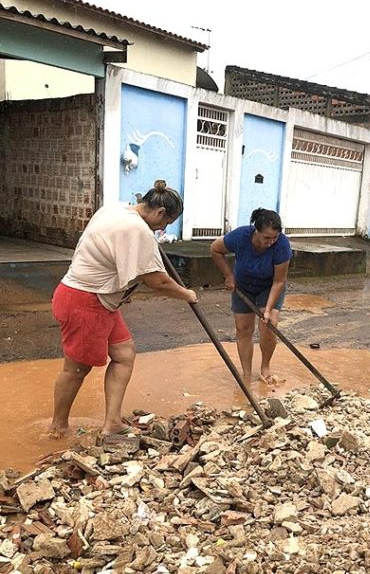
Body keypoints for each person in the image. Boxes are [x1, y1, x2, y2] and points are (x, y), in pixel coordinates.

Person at [49, 180, 198, 438]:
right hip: (84, 300)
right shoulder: (137, 230)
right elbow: (157, 281)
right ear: (160, 213)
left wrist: (122, 287)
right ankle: (57, 427)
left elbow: (108, 255)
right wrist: (187, 294)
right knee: (76, 369)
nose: (162, 229)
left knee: (124, 353)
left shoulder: (116, 209)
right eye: (166, 223)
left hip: (101, 299)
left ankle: (112, 423)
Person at [211, 208, 292, 387]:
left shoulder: (282, 246)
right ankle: (246, 374)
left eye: (274, 238)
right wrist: (228, 276)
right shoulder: (240, 236)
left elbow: (279, 282)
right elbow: (215, 249)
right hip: (243, 286)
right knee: (243, 328)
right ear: (256, 231)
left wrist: (268, 310)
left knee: (269, 326)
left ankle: (265, 367)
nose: (271, 242)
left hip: (269, 287)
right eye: (266, 238)